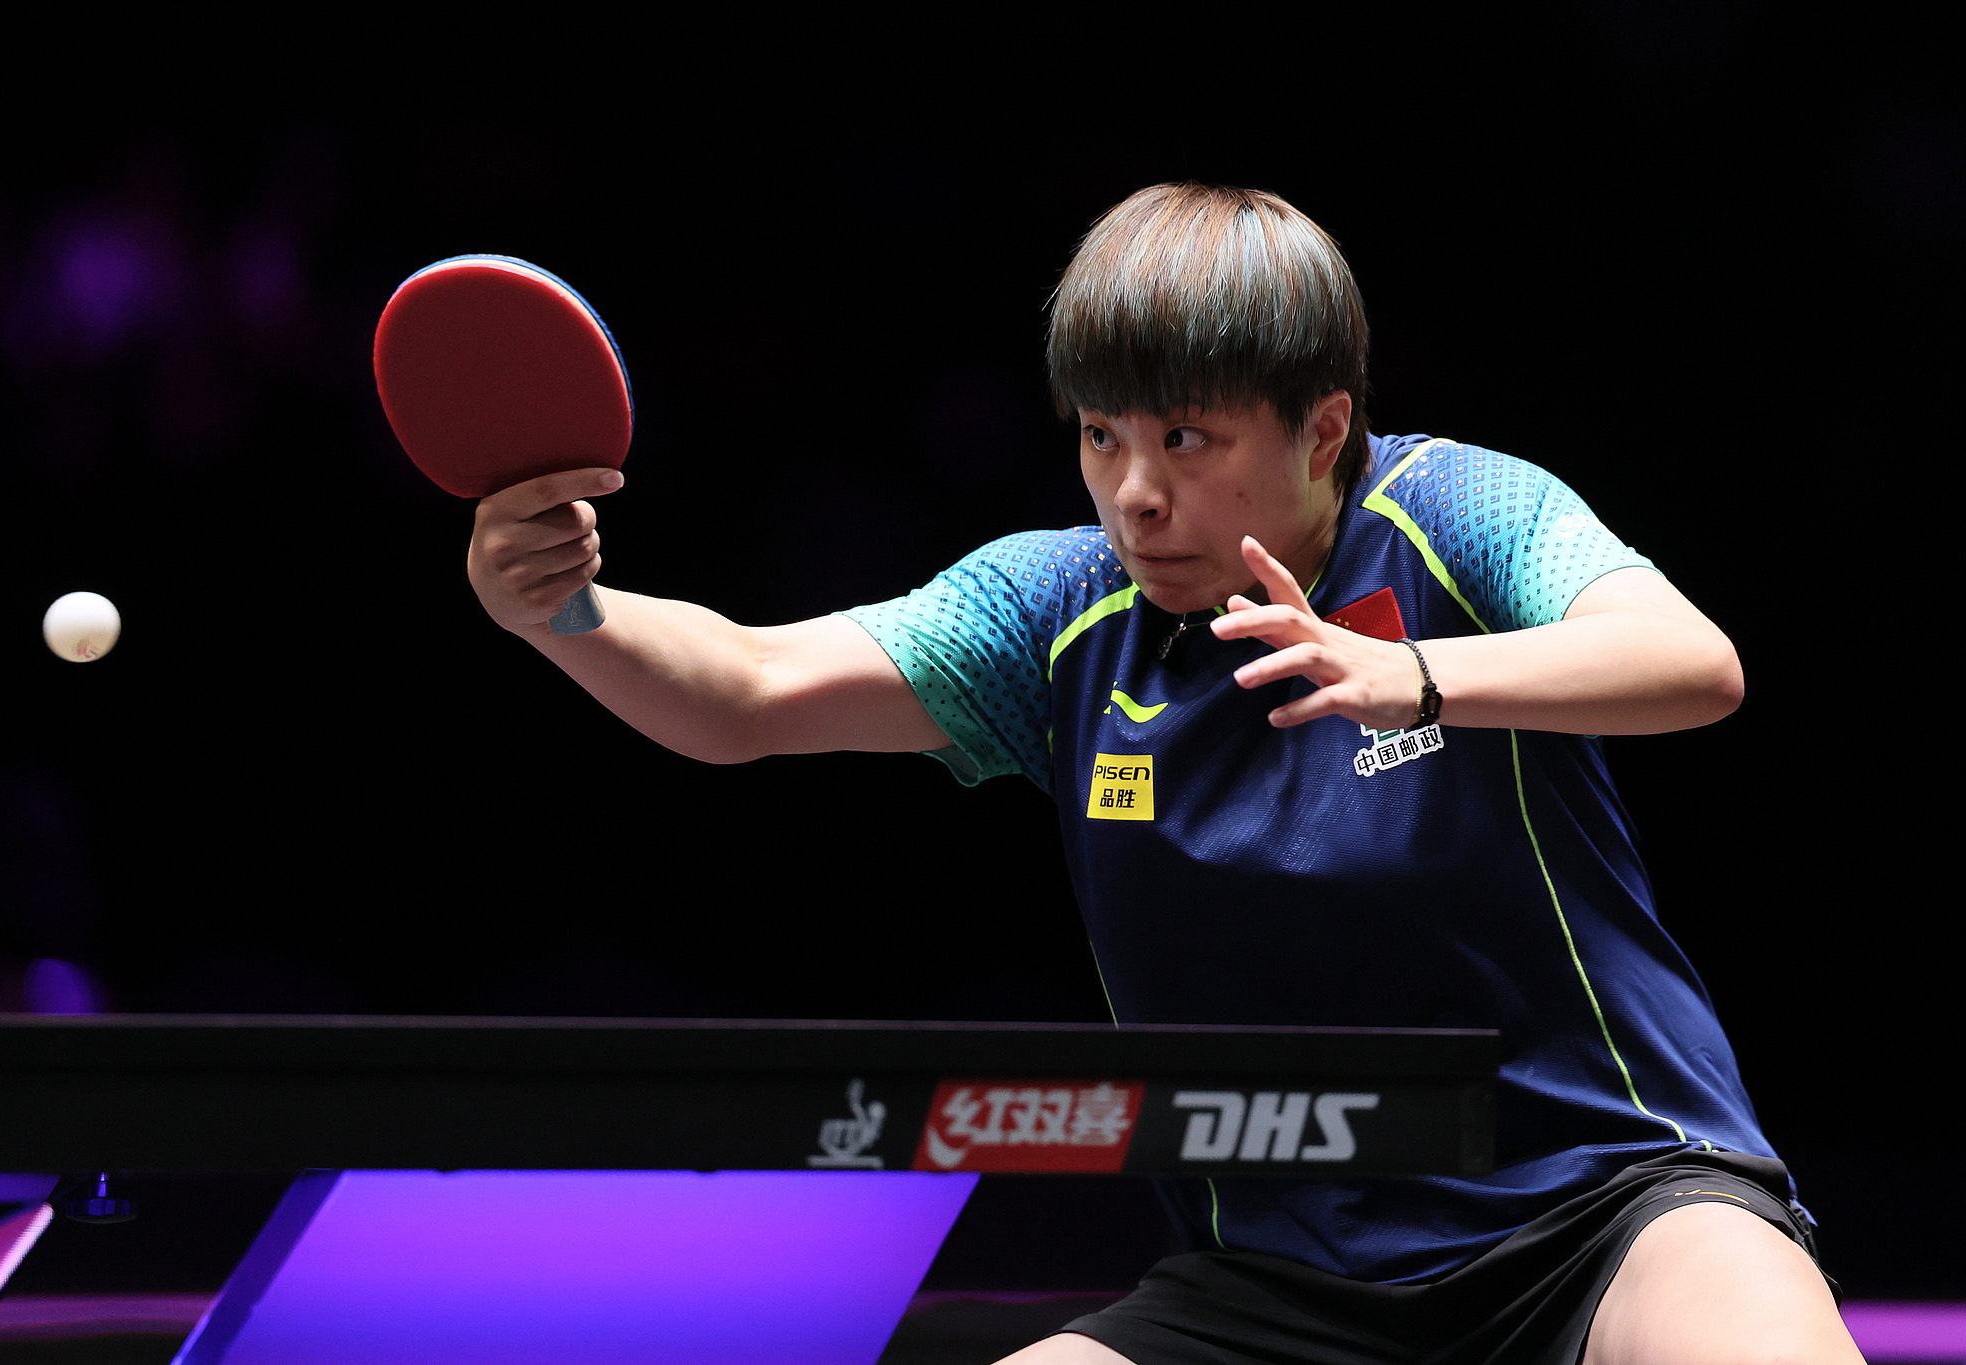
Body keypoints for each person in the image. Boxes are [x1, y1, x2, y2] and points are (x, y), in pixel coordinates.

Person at [465, 185, 1861, 1365]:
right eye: (1101, 434)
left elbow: (1690, 658)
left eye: (1185, 438)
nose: (1135, 492)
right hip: (1280, 1287)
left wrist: (1418, 677)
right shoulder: (1058, 615)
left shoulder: (1452, 514)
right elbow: (745, 690)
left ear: (1320, 431)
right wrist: (566, 613)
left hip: (1606, 1208)